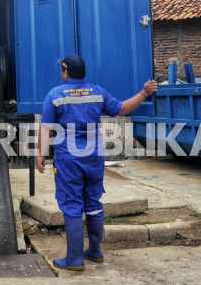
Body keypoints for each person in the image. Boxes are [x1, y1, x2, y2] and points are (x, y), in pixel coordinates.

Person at [37, 54, 157, 271]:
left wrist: (40, 155)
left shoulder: (55, 94)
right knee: (92, 202)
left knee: (72, 204)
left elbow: (46, 127)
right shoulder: (97, 92)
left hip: (69, 160)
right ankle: (94, 250)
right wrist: (143, 93)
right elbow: (122, 109)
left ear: (65, 72)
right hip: (94, 158)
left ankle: (74, 259)